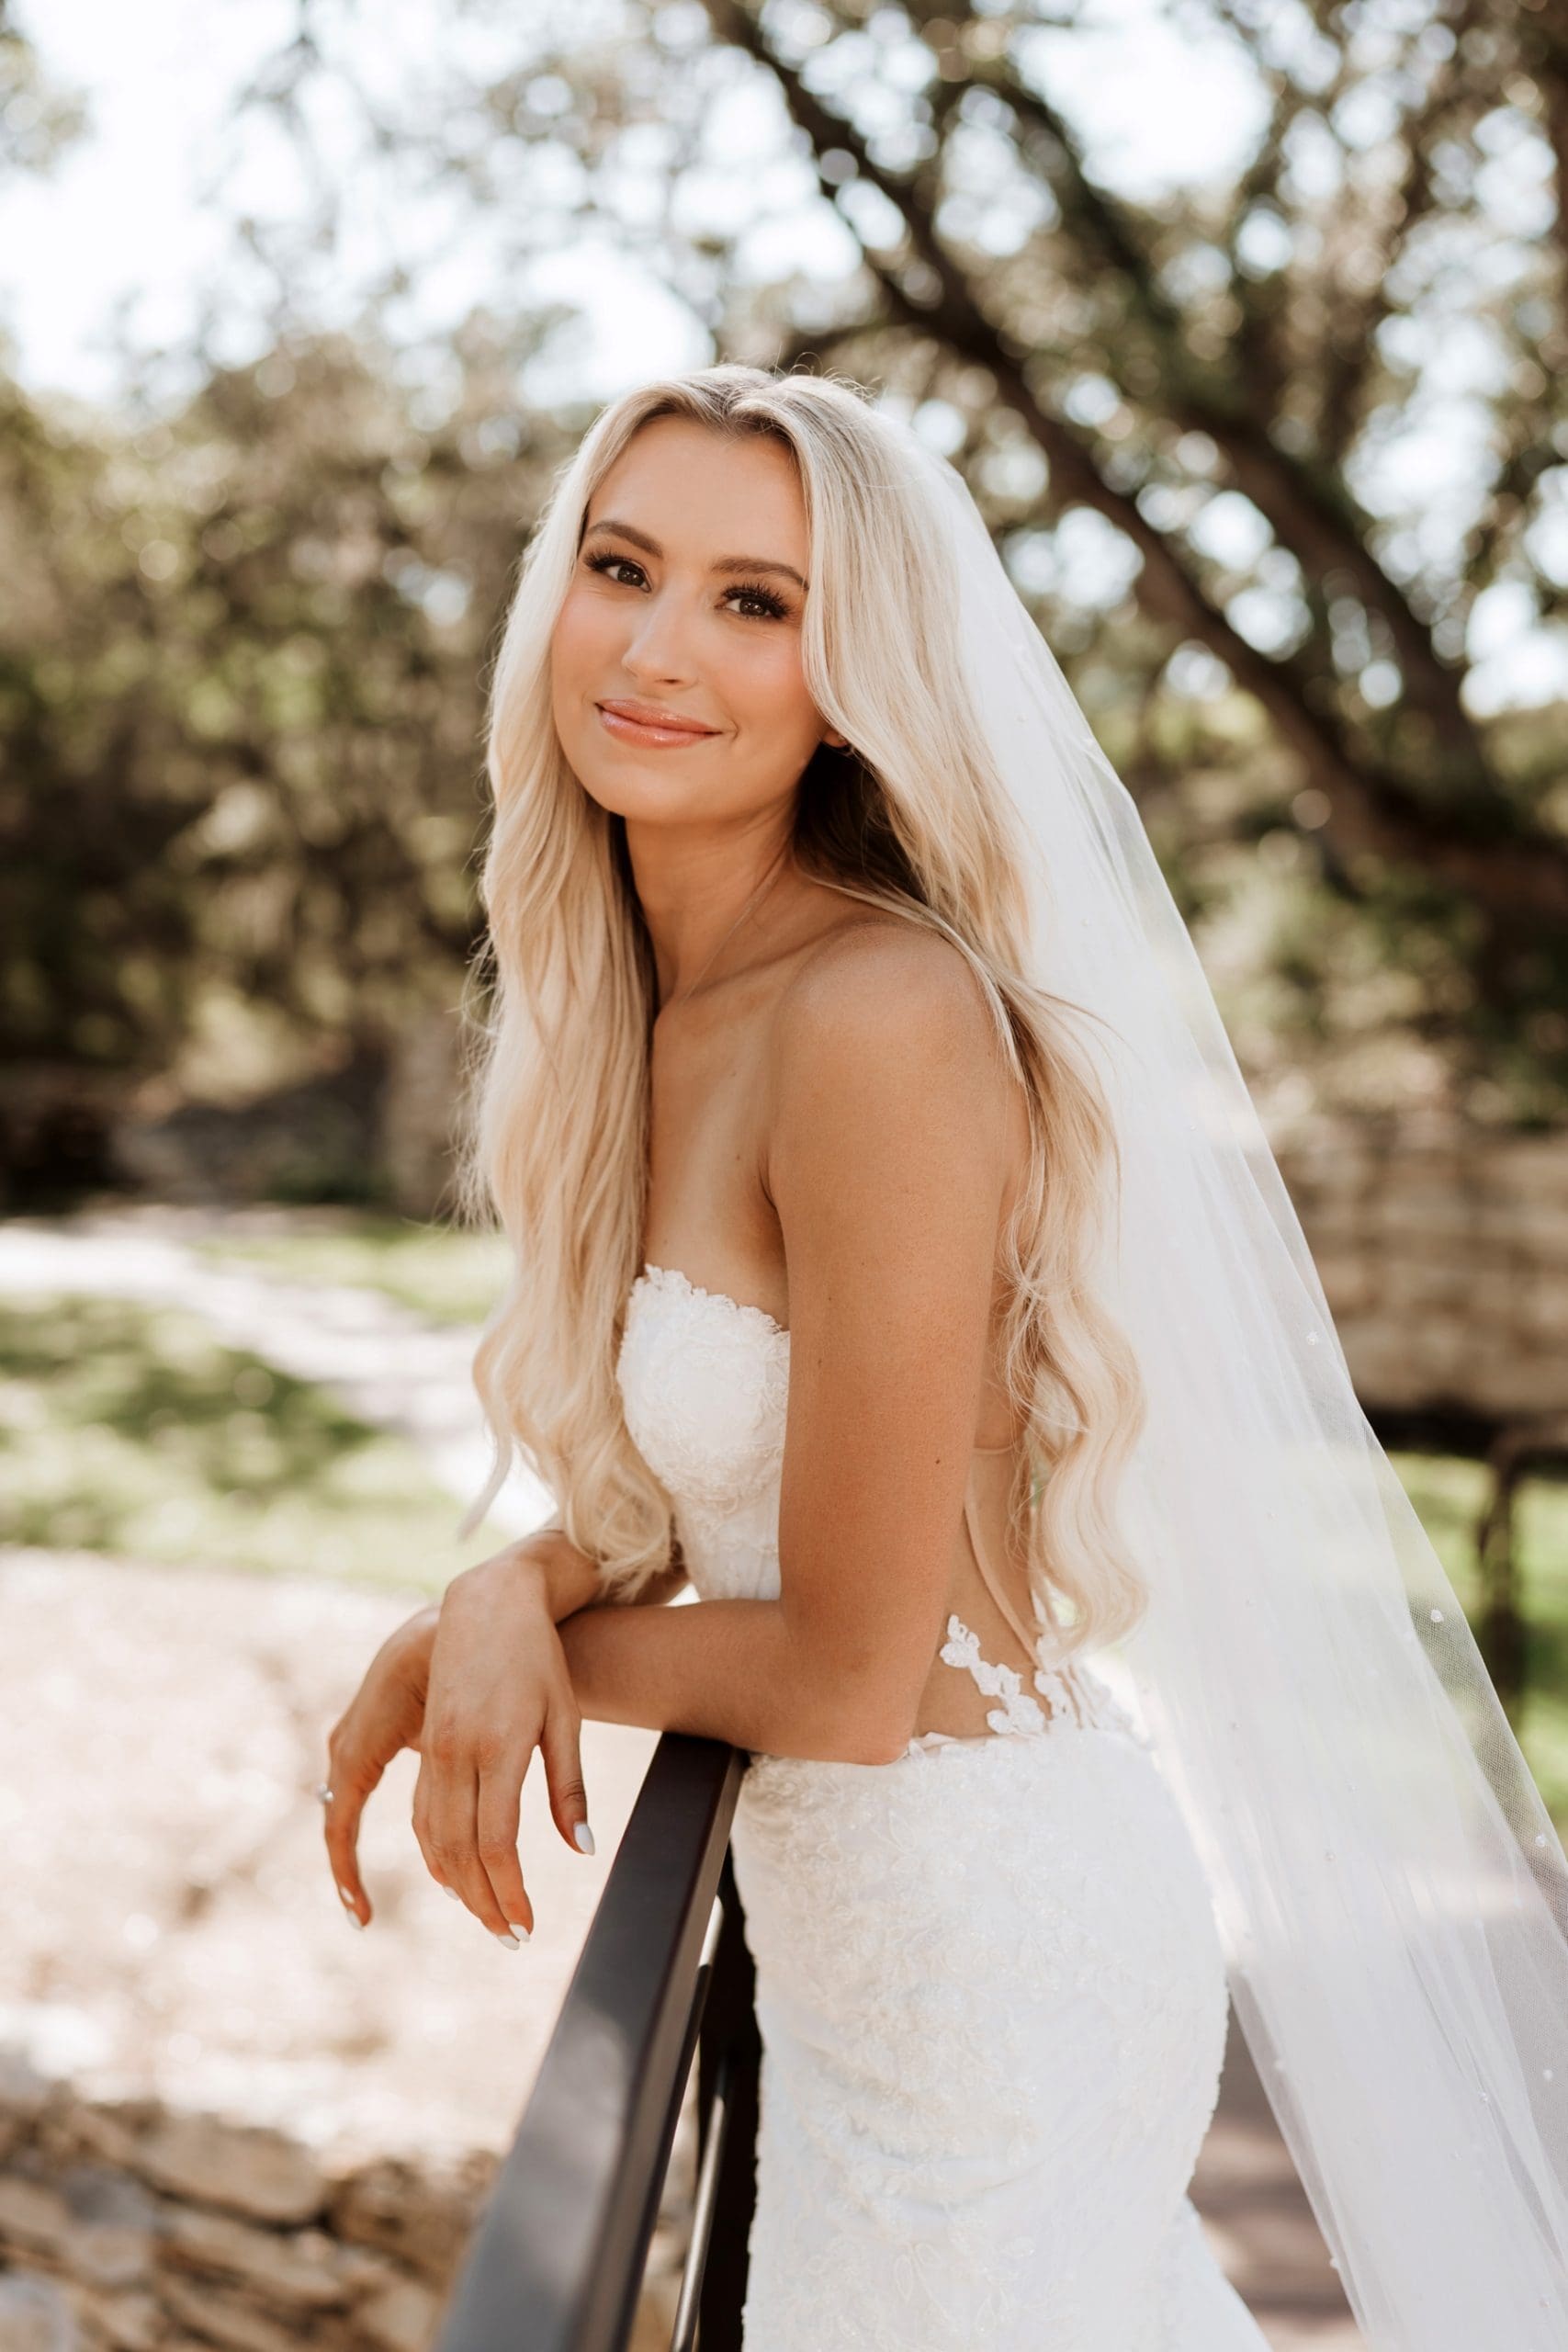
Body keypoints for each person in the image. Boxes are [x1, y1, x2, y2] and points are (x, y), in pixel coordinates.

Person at [322, 365, 1568, 2350]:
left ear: (855, 669)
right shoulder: (665, 1003)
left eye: (756, 601)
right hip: (864, 1964)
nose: (655, 647)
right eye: (620, 564)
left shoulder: (877, 1007)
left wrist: (516, 1647)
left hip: (983, 1967)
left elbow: (845, 1665)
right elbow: (715, 1479)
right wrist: (511, 1577)